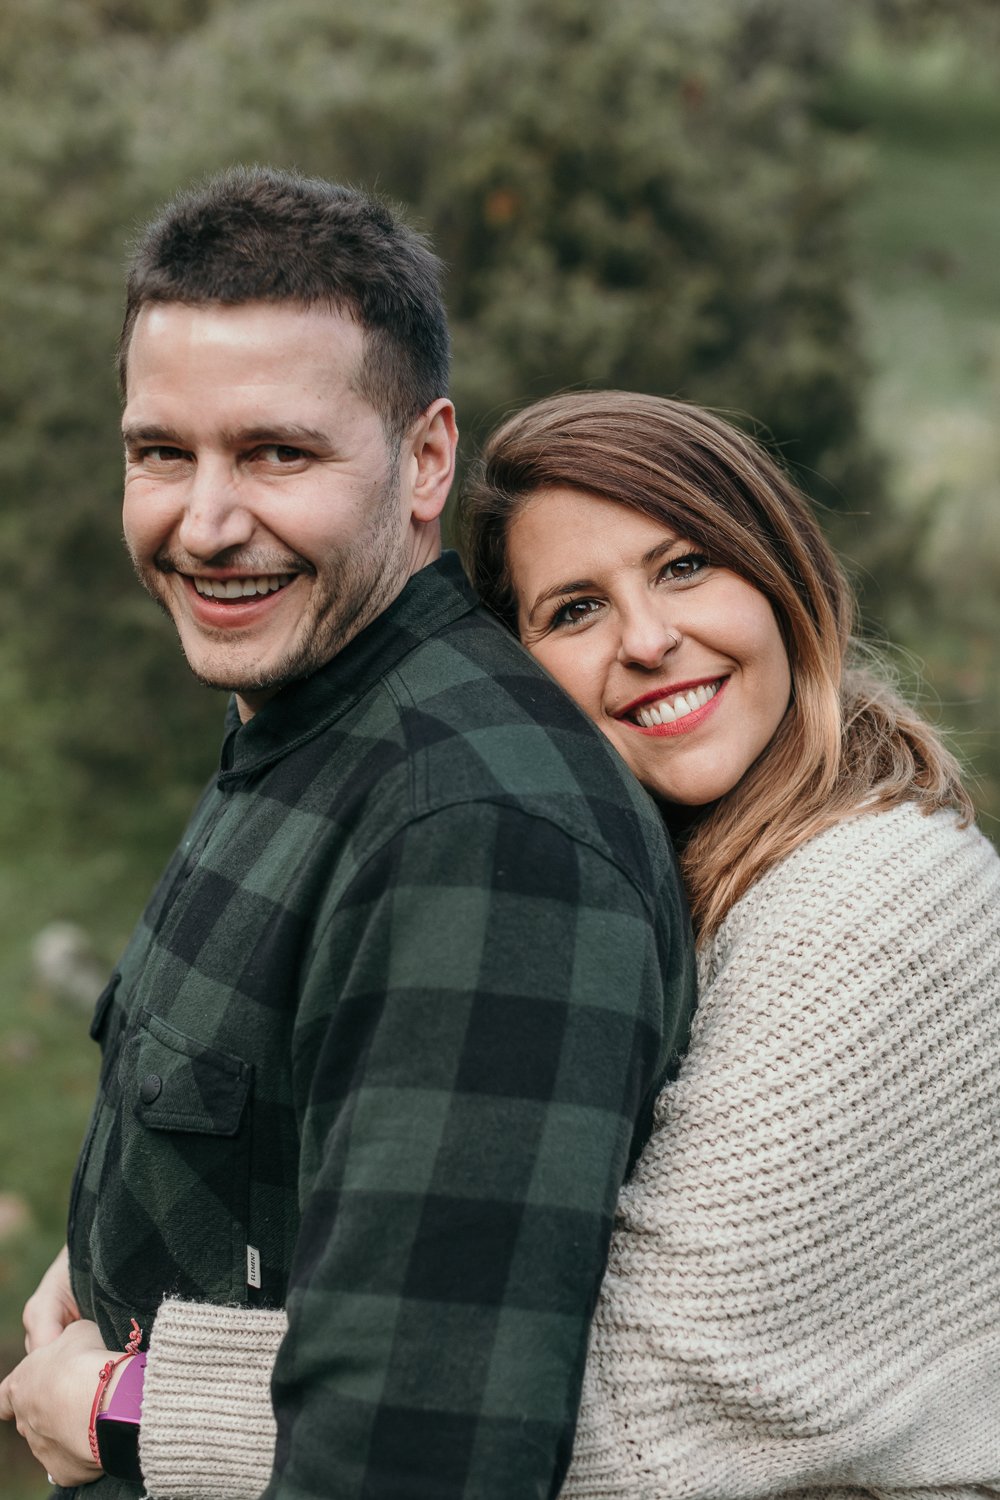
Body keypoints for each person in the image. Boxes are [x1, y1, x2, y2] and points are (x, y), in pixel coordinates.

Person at [0, 180, 696, 1500]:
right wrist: (108, 1252)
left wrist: (119, 1408)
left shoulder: (480, 836)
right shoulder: (316, 715)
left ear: (427, 459)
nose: (203, 523)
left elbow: (418, 1456)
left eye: (277, 454)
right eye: (161, 452)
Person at [461, 390, 1000, 1496]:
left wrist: (137, 1398)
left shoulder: (870, 896)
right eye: (573, 611)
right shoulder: (673, 902)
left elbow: (635, 1423)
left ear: (779, 573)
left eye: (684, 566)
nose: (649, 641)